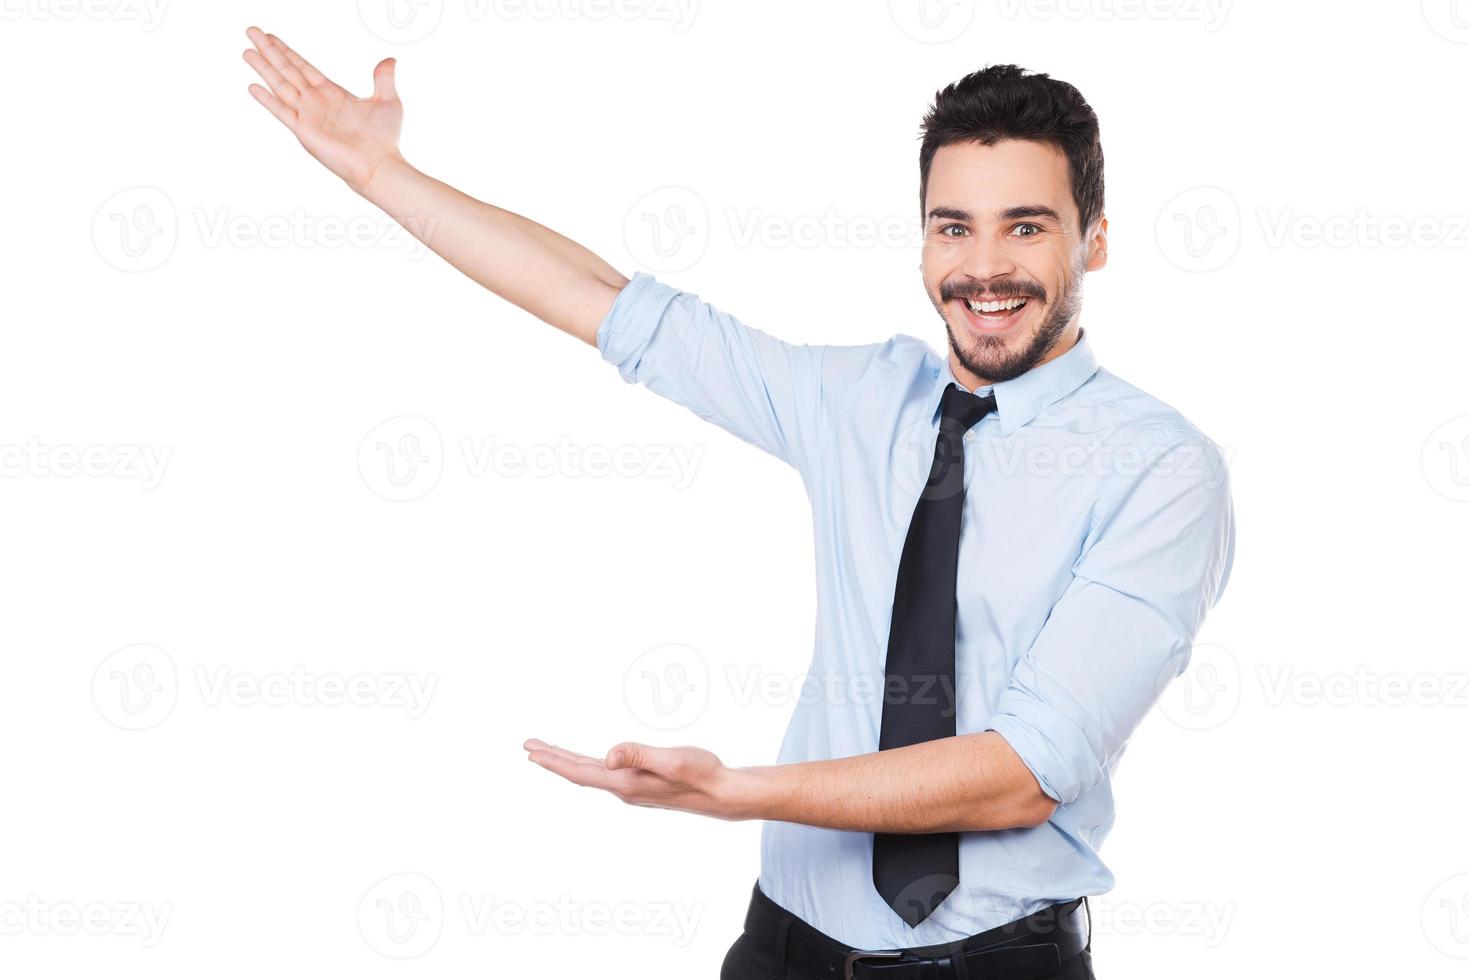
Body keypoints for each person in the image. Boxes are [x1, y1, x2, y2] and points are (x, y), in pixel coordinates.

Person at [243, 29, 1234, 979]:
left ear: (1093, 240)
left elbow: (1021, 770)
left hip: (990, 964)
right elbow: (607, 304)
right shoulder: (860, 399)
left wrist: (734, 792)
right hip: (780, 950)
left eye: (1025, 225)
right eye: (952, 227)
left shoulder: (1158, 469)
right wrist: (383, 177)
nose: (983, 268)